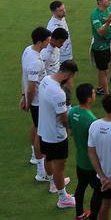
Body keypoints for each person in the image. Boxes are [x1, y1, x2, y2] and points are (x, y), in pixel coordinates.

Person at [37, 59, 80, 210]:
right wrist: (71, 130)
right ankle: (63, 198)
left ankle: (53, 184)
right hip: (56, 135)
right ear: (68, 75)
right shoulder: (58, 93)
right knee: (60, 167)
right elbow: (63, 118)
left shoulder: (46, 80)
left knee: (49, 158)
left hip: (44, 130)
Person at [69, 84, 103, 220]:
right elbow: (96, 145)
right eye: (94, 93)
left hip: (80, 160)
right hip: (91, 163)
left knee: (81, 186)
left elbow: (70, 131)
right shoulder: (92, 120)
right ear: (89, 98)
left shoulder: (72, 112)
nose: (95, 95)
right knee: (98, 190)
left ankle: (79, 214)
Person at [22, 27, 52, 178]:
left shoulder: (27, 50)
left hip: (35, 102)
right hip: (39, 103)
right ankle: (41, 172)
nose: (49, 42)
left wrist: (23, 96)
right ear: (40, 42)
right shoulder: (36, 62)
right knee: (41, 134)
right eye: (47, 40)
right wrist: (28, 102)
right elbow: (32, 87)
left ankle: (35, 157)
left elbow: (23, 76)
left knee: (36, 126)